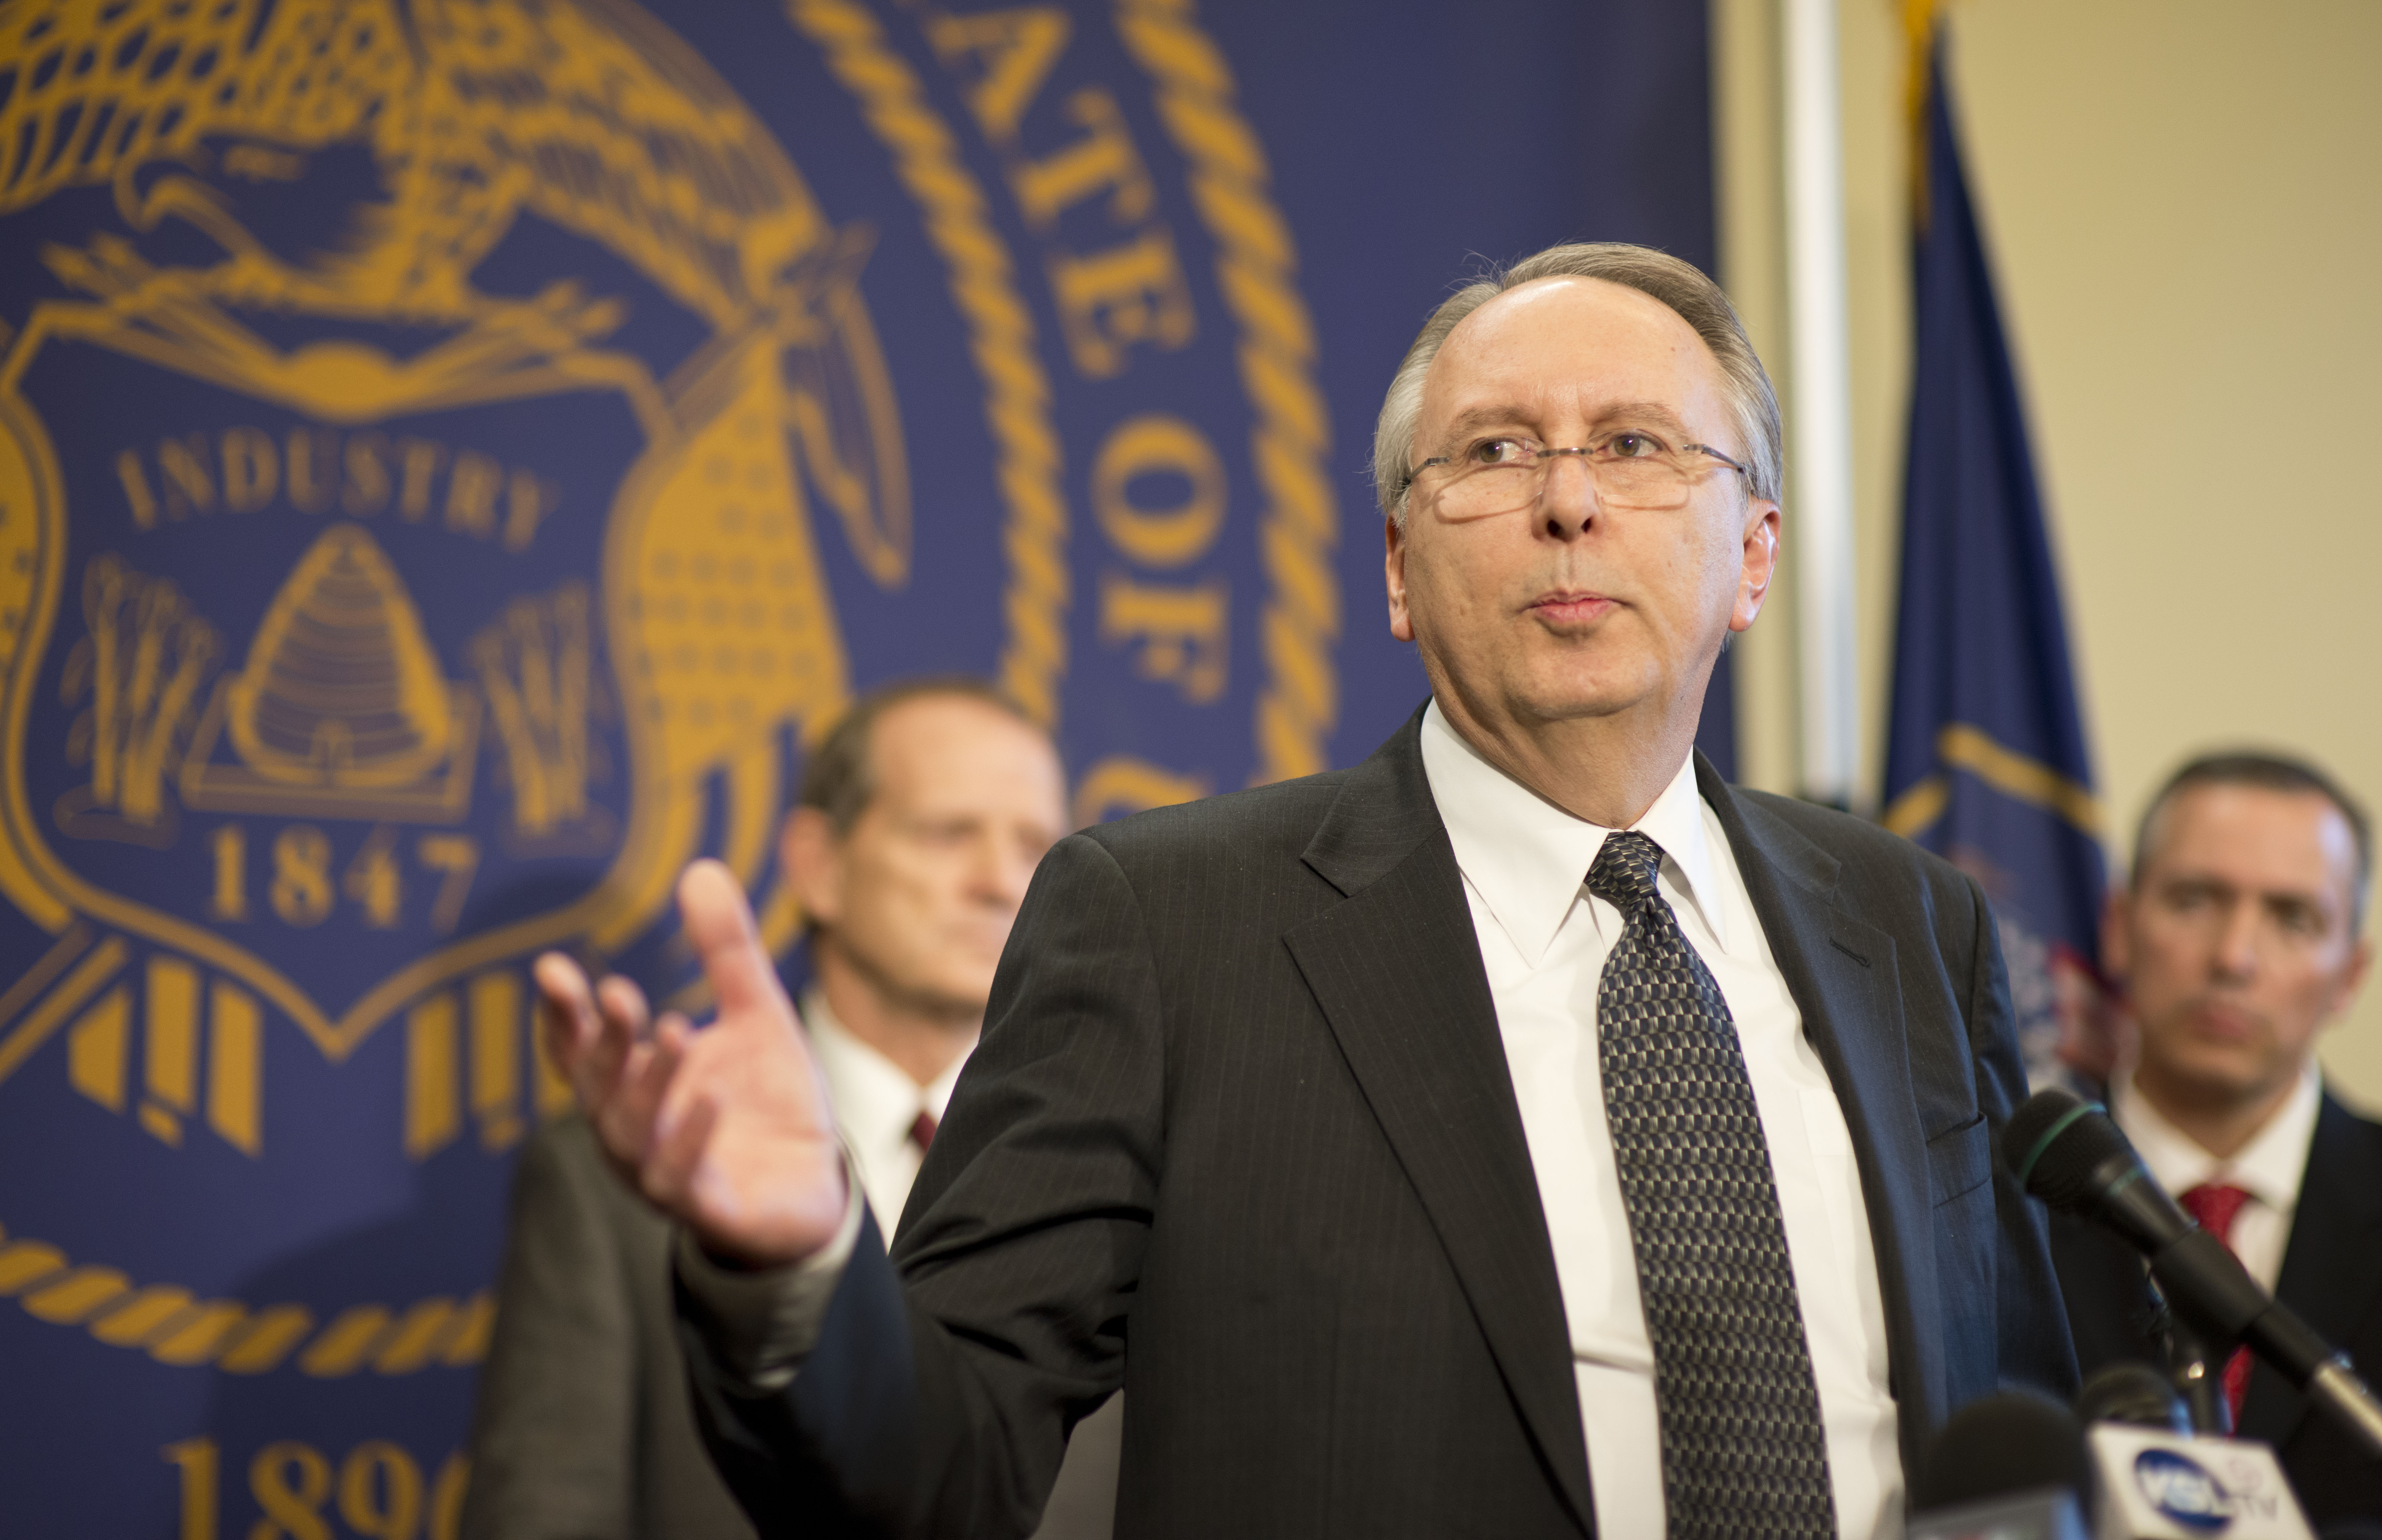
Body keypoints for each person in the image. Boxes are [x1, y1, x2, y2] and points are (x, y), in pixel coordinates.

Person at [536, 242, 2074, 1539]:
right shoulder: (1166, 926)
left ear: (1753, 555)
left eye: (1635, 445)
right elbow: (942, 1468)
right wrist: (799, 1263)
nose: (1567, 503)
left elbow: (2029, 1422)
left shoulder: (1911, 927)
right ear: (1399, 570)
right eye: (1491, 453)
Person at [461, 679, 1120, 1540]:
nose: (1003, 882)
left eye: (1037, 844)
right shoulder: (634, 1173)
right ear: (819, 866)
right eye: (949, 833)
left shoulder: (1123, 1164)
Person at [2050, 752, 2381, 1528]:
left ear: (2350, 975)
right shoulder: (1995, 1206)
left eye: (2292, 918)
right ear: (2120, 928)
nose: (2233, 957)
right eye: (2195, 900)